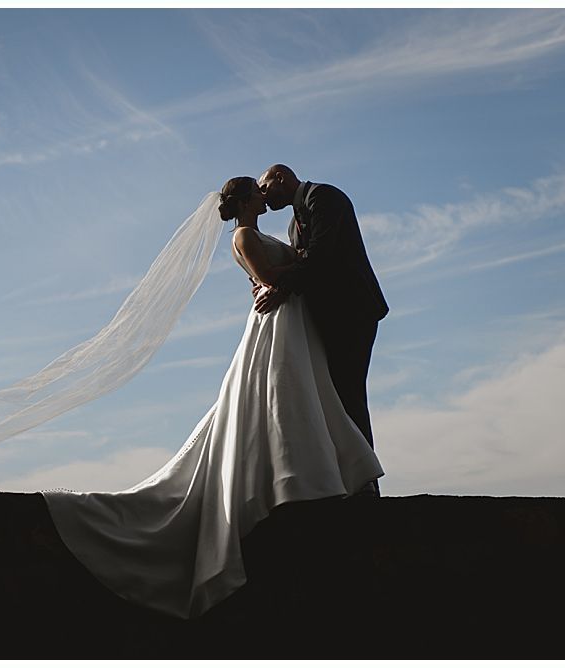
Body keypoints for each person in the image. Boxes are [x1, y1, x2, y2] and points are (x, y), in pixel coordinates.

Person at [31, 177, 384, 620]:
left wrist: (287, 275)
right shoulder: (244, 235)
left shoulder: (281, 225)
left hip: (295, 324)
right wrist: (276, 280)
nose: (263, 193)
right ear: (246, 200)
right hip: (277, 326)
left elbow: (296, 268)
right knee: (284, 397)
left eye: (263, 187)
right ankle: (296, 480)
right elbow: (269, 277)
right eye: (257, 190)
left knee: (306, 396)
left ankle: (315, 477)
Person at [254, 165, 389, 497]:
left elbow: (321, 255)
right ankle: (347, 476)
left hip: (351, 311)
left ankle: (365, 481)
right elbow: (306, 262)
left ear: (280, 178)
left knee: (349, 392)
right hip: (324, 317)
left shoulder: (324, 197)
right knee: (333, 396)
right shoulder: (292, 223)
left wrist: (281, 284)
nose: (263, 195)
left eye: (265, 187)